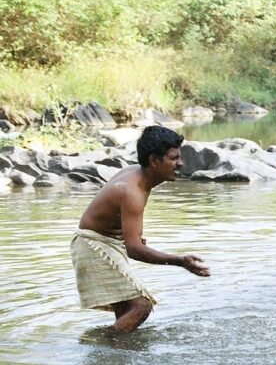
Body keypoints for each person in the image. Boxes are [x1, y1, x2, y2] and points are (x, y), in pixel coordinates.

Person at [70, 126, 210, 333]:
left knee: (127, 310)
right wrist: (180, 261)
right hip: (94, 247)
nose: (180, 163)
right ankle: (101, 346)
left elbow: (119, 225)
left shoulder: (138, 176)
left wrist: (128, 237)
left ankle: (119, 356)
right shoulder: (132, 191)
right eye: (173, 158)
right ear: (154, 161)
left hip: (104, 243)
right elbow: (133, 249)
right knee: (141, 306)